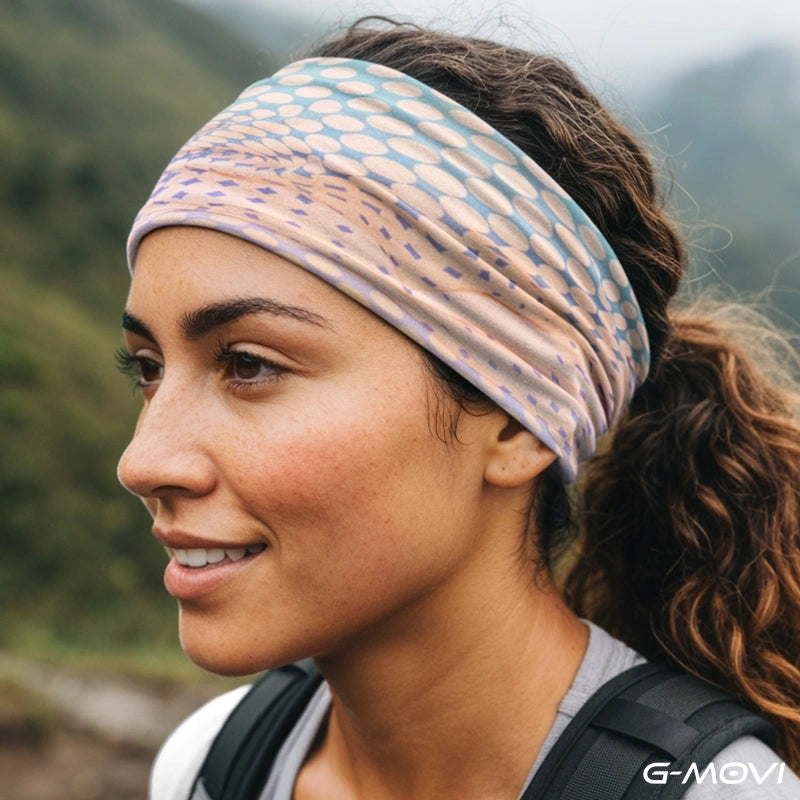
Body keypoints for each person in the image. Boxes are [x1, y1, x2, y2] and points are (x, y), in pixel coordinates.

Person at [116, 17, 800, 800]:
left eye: (249, 365)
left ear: (514, 418)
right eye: (147, 366)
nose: (143, 461)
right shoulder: (213, 764)